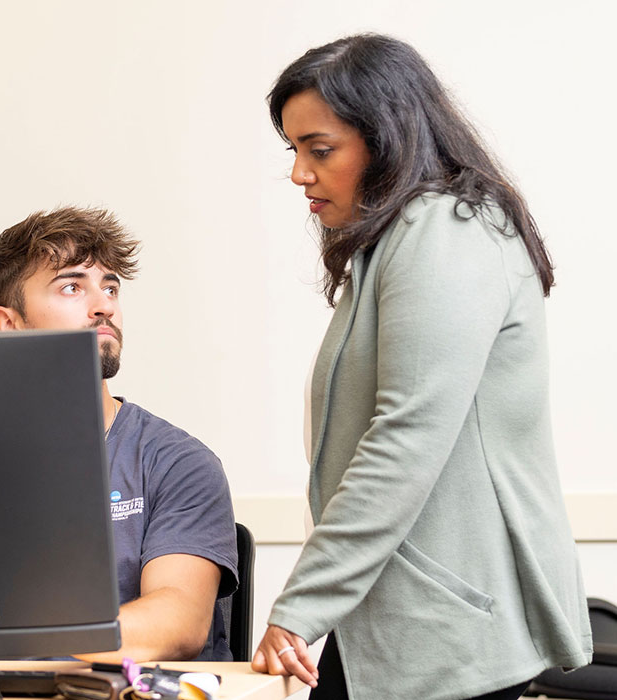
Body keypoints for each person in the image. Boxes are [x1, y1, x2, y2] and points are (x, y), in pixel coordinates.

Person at [251, 34, 593, 700]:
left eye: (320, 150)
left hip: (446, 629)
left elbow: (404, 438)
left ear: (387, 138)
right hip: (393, 621)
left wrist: (300, 608)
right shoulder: (395, 242)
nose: (300, 173)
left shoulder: (448, 231)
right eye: (293, 151)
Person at [0, 206, 238, 662]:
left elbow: (178, 624)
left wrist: (24, 640)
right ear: (10, 324)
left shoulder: (177, 463)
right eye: (72, 286)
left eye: (111, 286)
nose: (105, 305)